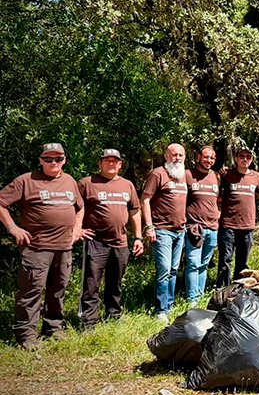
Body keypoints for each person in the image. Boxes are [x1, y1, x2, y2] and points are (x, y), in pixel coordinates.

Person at [0, 143, 83, 349]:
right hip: (37, 248)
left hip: (64, 247)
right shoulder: (26, 180)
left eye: (58, 159)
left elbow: (80, 208)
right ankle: (26, 334)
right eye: (48, 159)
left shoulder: (70, 181)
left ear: (64, 160)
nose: (53, 163)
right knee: (31, 290)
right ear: (41, 160)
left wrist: (77, 228)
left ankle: (53, 328)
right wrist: (13, 227)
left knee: (58, 289)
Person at [76, 149, 143, 331]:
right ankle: (89, 321)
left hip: (120, 241)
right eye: (107, 161)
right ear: (100, 164)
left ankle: (113, 316)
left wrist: (138, 237)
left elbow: (135, 211)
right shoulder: (87, 183)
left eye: (115, 161)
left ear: (120, 165)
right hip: (95, 241)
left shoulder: (127, 185)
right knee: (91, 284)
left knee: (115, 283)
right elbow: (73, 207)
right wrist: (77, 229)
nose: (111, 164)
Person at [141, 143, 188, 322]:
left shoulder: (184, 176)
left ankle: (169, 305)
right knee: (164, 270)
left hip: (180, 231)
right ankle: (160, 310)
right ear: (166, 156)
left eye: (180, 155)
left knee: (174, 270)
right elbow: (145, 199)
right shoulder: (158, 174)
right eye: (174, 154)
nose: (177, 158)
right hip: (162, 231)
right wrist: (149, 226)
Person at [216, 147, 259, 287]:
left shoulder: (257, 177)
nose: (245, 159)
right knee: (225, 259)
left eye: (248, 157)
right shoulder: (227, 174)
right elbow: (217, 195)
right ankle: (222, 287)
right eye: (242, 156)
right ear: (236, 159)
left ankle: (239, 287)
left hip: (247, 226)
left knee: (243, 261)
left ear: (251, 160)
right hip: (228, 225)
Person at [184, 146, 221, 300]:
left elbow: (219, 200)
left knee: (204, 264)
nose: (208, 160)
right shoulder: (187, 175)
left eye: (212, 158)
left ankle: (200, 295)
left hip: (212, 228)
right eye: (206, 157)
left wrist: (218, 214)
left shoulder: (217, 177)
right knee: (193, 264)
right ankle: (192, 300)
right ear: (198, 157)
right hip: (194, 227)